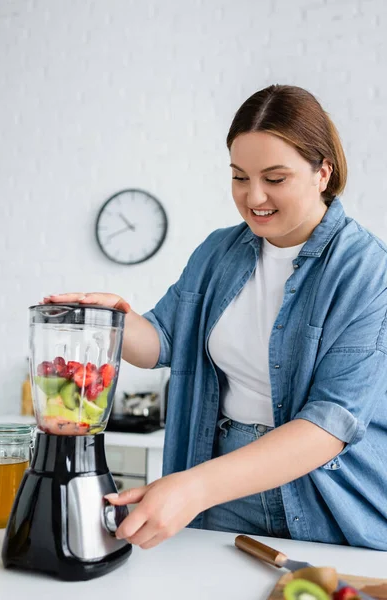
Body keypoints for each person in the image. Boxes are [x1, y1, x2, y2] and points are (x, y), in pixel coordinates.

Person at [43, 84, 387, 551]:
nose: (254, 196)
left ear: (322, 172)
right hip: (222, 478)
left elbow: (330, 423)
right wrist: (113, 320)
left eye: (275, 178)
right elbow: (163, 339)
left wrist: (194, 487)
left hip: (328, 497)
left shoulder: (366, 269)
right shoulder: (218, 252)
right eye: (240, 177)